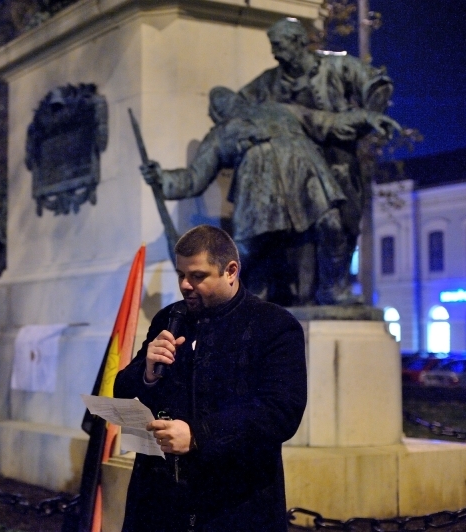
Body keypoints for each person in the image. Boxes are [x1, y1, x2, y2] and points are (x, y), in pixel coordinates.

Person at [113, 225, 307, 531]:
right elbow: (123, 388)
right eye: (181, 275)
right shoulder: (169, 318)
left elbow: (280, 411)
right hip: (159, 499)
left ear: (230, 271)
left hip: (236, 503)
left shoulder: (274, 325)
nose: (185, 285)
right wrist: (147, 371)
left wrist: (198, 436)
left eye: (197, 276)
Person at [141, 87, 396, 304]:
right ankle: (229, 302)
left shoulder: (280, 109)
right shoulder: (221, 133)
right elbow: (194, 178)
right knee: (247, 251)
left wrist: (366, 118)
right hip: (260, 188)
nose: (224, 106)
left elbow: (326, 121)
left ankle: (333, 291)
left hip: (305, 174)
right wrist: (162, 178)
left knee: (331, 226)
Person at [239, 17, 396, 298]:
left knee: (341, 227)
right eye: (272, 46)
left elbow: (378, 83)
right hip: (291, 170)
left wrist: (368, 118)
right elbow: (236, 107)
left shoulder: (336, 65)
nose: (275, 52)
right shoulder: (268, 82)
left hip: (337, 163)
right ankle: (313, 292)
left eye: (279, 45)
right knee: (296, 234)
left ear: (300, 42)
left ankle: (331, 289)